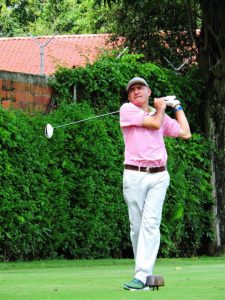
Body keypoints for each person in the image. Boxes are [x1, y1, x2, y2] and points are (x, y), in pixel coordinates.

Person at [120, 77, 191, 291]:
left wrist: (176, 107)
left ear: (149, 92)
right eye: (132, 90)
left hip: (159, 176)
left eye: (140, 88)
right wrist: (160, 109)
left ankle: (141, 277)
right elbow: (154, 122)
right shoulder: (127, 110)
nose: (135, 92)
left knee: (150, 224)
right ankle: (144, 275)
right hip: (134, 175)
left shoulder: (159, 113)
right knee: (137, 228)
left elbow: (185, 133)